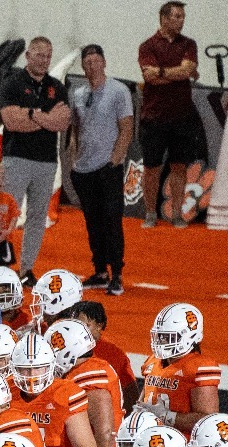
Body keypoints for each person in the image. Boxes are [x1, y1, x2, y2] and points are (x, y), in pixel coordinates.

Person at [0, 36, 69, 281]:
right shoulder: (12, 83)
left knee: (37, 217)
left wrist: (33, 116)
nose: (44, 60)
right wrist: (45, 118)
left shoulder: (57, 87)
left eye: (48, 55)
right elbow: (12, 122)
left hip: (46, 162)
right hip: (16, 158)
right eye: (39, 54)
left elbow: (63, 121)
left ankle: (26, 270)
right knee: (7, 214)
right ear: (27, 55)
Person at [68, 44, 133, 295]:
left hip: (108, 167)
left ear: (104, 62)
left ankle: (116, 272)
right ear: (83, 66)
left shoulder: (119, 91)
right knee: (92, 222)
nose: (92, 66)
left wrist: (115, 160)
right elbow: (75, 128)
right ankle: (99, 270)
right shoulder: (78, 93)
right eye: (87, 62)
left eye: (96, 61)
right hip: (83, 168)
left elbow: (126, 127)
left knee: (112, 220)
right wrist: (74, 159)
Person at [138, 2, 201, 230]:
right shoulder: (147, 46)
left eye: (183, 16)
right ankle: (150, 212)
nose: (182, 21)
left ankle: (176, 213)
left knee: (179, 167)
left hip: (182, 116)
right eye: (177, 16)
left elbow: (187, 70)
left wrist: (164, 72)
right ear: (164, 18)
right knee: (152, 168)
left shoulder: (189, 44)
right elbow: (150, 78)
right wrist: (180, 74)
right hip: (154, 116)